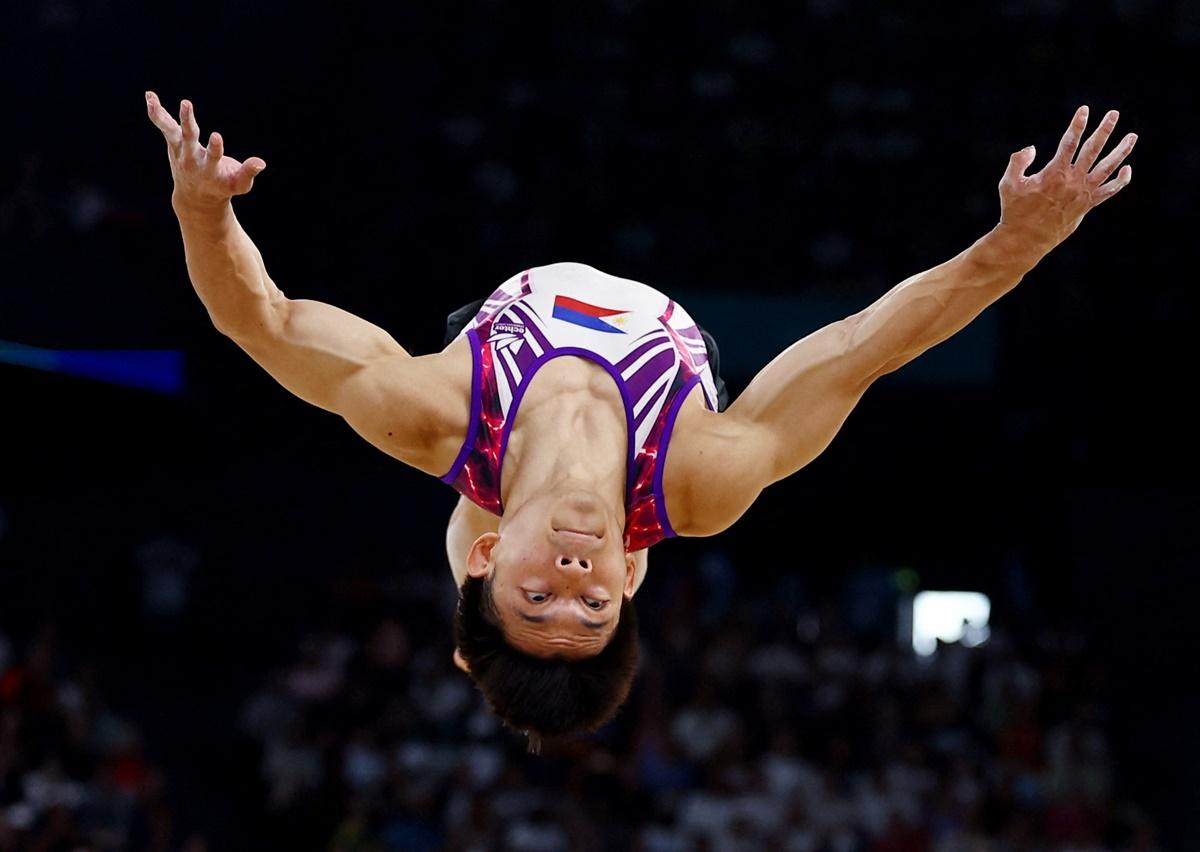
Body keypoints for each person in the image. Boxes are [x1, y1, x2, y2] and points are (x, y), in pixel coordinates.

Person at [145, 92, 1136, 745]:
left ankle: (485, 603)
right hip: (661, 376)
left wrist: (202, 210)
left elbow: (261, 322)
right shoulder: (706, 475)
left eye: (540, 602)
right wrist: (1017, 242)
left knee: (446, 485)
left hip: (497, 342)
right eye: (594, 605)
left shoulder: (431, 415)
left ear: (489, 563)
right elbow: (868, 344)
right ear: (626, 580)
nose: (571, 584)